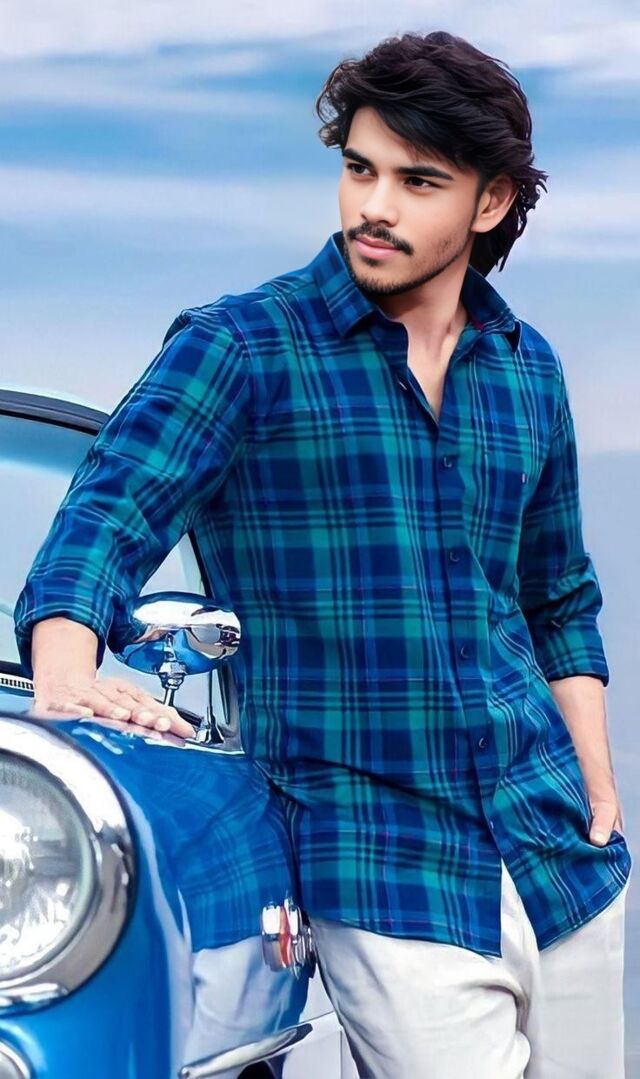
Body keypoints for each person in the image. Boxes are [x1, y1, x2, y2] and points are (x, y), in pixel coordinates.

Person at [14, 29, 632, 1078]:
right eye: (359, 168)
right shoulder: (242, 347)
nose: (373, 206)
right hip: (381, 863)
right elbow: (104, 519)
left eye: (417, 181)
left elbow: (557, 596)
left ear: (489, 203)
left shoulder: (527, 368)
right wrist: (65, 678)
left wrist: (596, 782)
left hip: (557, 855)